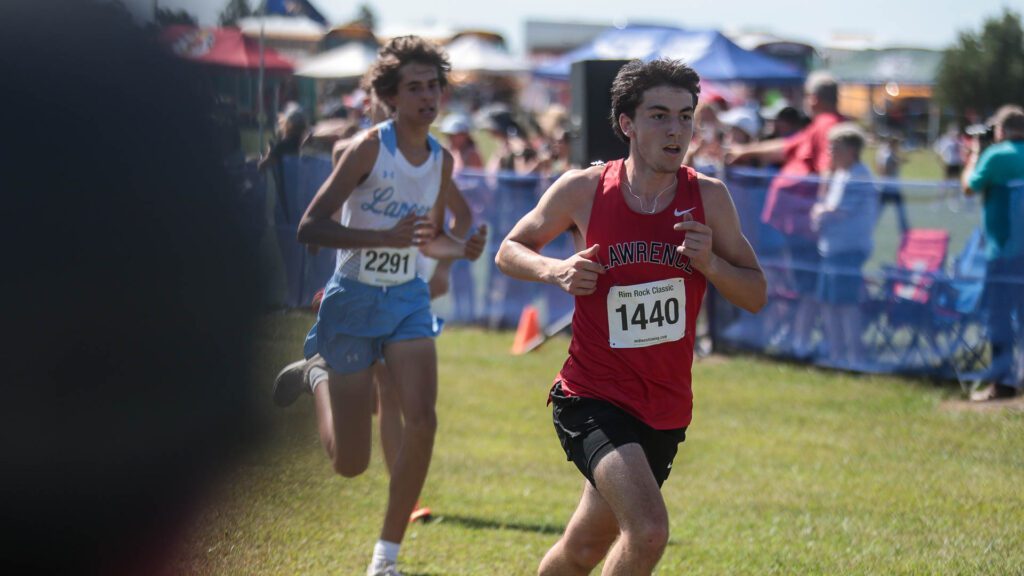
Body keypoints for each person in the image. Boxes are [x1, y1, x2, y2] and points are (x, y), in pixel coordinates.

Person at [495, 58, 766, 575]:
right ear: (627, 123)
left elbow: (755, 293)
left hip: (665, 408)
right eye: (660, 115)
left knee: (580, 551)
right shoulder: (584, 189)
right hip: (591, 396)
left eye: (686, 117)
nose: (676, 130)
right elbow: (510, 249)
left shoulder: (709, 198)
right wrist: (555, 270)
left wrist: (709, 264)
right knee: (647, 531)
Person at [292, 36, 487, 576]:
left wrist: (459, 250)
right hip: (353, 299)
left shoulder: (441, 160)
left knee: (421, 417)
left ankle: (387, 556)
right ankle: (316, 376)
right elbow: (311, 226)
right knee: (350, 464)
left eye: (434, 86)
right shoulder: (367, 149)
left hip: (406, 298)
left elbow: (430, 237)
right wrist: (381, 238)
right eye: (415, 88)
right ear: (390, 97)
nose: (428, 96)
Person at [728, 72, 844, 359]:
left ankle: (805, 342)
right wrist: (744, 151)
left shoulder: (829, 126)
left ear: (814, 99)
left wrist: (821, 209)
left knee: (811, 285)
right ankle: (801, 339)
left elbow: (829, 169)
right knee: (806, 284)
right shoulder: (818, 126)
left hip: (808, 224)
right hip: (798, 224)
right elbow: (784, 148)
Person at [961, 104, 1024, 401]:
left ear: (1001, 130)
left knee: (999, 317)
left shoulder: (996, 155)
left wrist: (975, 152)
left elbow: (969, 186)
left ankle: (1002, 382)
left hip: (1003, 252)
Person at [810, 124, 879, 368]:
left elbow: (838, 212)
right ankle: (837, 355)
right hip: (833, 250)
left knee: (846, 305)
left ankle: (854, 357)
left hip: (848, 250)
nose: (830, 153)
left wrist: (821, 212)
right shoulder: (840, 174)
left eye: (835, 148)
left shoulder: (858, 175)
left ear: (850, 150)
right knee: (829, 302)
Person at [874, 134, 910, 236]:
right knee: (876, 214)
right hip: (885, 189)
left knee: (901, 213)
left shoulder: (891, 153)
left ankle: (905, 232)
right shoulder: (885, 154)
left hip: (894, 188)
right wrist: (896, 164)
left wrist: (899, 161)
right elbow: (883, 171)